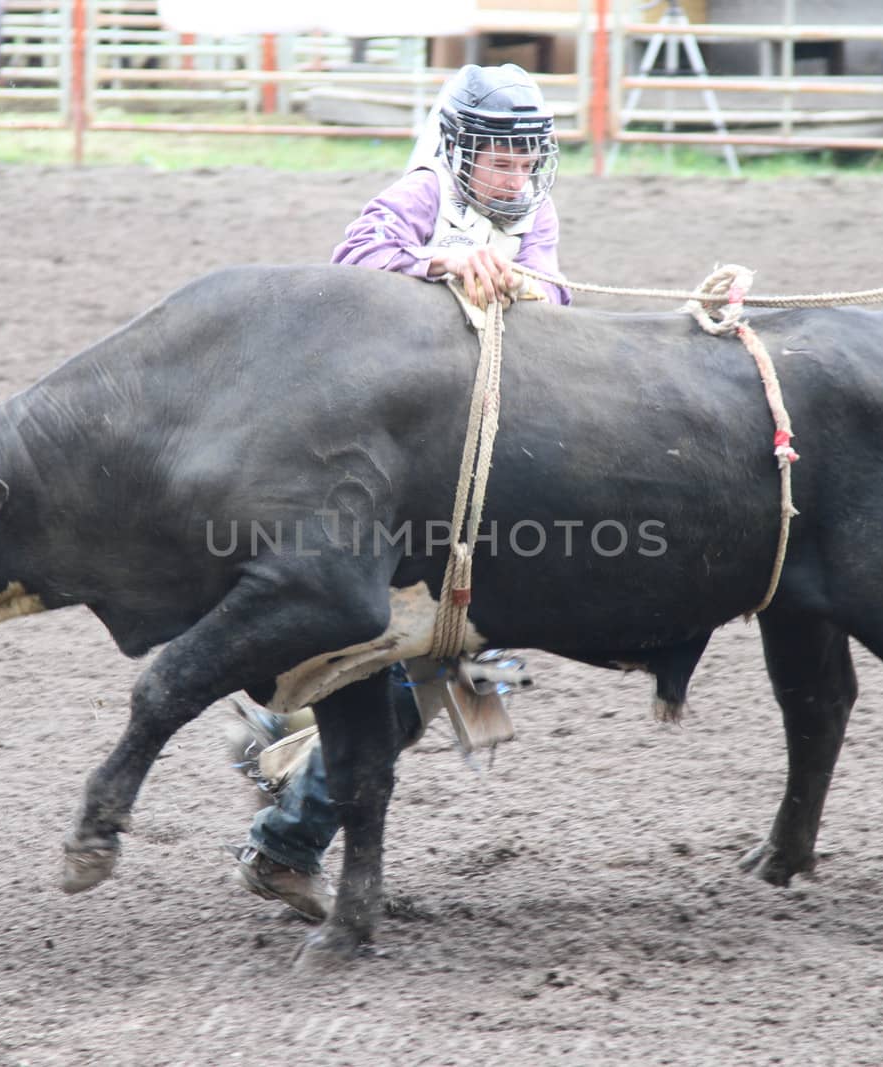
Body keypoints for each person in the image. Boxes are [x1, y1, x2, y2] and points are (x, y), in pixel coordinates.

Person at [232, 63, 567, 920]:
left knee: (413, 664)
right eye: (498, 156)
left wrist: (525, 283)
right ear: (459, 151)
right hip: (386, 456)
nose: (513, 174)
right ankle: (289, 820)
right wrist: (444, 260)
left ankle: (282, 755)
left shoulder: (535, 215)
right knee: (410, 676)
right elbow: (353, 261)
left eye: (525, 157)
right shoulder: (421, 195)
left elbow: (559, 298)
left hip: (463, 460)